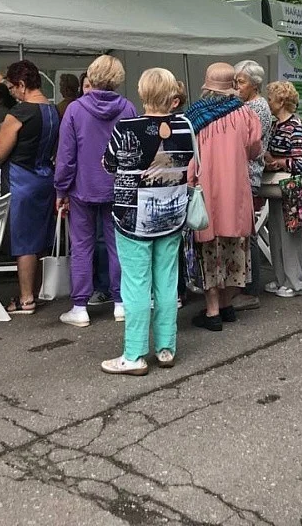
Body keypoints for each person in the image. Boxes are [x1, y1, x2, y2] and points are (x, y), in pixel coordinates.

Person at [100, 68, 195, 376]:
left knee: (136, 284)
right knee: (167, 282)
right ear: (173, 96)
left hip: (132, 216)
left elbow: (109, 164)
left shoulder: (126, 126)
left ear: (142, 93)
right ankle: (166, 349)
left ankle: (135, 354)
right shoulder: (186, 126)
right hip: (173, 212)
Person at [55, 55, 138, 327]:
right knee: (119, 245)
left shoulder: (75, 110)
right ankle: (120, 302)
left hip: (82, 187)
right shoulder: (128, 108)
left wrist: (61, 190)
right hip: (118, 187)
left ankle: (80, 306)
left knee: (81, 246)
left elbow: (66, 156)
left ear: (91, 76)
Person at [185, 62, 263, 331]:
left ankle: (213, 311)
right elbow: (254, 149)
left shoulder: (194, 115)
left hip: (206, 193)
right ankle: (228, 304)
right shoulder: (246, 113)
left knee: (209, 250)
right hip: (237, 193)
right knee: (235, 249)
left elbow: (188, 156)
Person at [0, 60, 60, 315]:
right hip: (45, 177)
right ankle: (35, 292)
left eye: (11, 88)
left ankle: (26, 298)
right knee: (39, 239)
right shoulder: (53, 111)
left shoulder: (19, 113)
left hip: (21, 180)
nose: (11, 93)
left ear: (21, 84)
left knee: (24, 242)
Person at [262, 81, 302, 298]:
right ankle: (282, 278)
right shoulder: (276, 125)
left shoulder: (295, 126)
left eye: (270, 98)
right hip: (279, 189)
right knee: (276, 234)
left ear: (281, 101)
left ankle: (296, 283)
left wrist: (277, 162)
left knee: (289, 236)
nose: (268, 102)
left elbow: (301, 162)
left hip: (290, 188)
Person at [231, 59, 273, 311]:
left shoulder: (256, 108)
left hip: (248, 174)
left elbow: (247, 143)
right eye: (235, 81)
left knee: (248, 231)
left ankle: (250, 290)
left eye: (241, 82)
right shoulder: (248, 105)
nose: (237, 86)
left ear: (254, 85)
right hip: (244, 174)